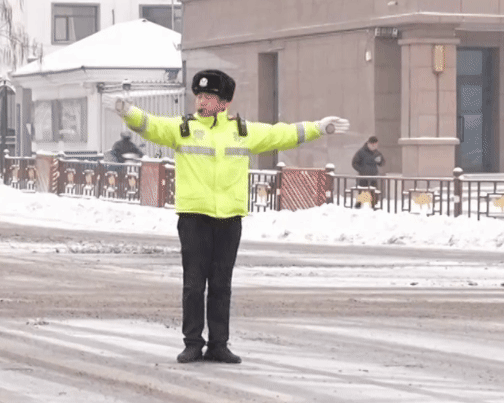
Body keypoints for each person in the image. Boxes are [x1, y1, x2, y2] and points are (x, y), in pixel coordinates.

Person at [106, 69, 349, 365]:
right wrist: (127, 112)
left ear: (224, 102)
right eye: (198, 95)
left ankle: (219, 344)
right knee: (194, 285)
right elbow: (151, 126)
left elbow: (281, 134)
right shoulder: (183, 129)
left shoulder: (242, 132)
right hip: (194, 217)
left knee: (221, 285)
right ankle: (192, 343)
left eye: (208, 97)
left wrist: (319, 128)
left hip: (229, 218)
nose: (201, 101)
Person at [351, 136, 384, 207]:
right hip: (363, 177)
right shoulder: (361, 152)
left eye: (375, 145)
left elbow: (382, 163)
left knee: (374, 195)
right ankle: (358, 207)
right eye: (373, 144)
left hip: (373, 177)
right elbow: (354, 163)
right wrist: (362, 170)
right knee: (362, 194)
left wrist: (380, 161)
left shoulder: (377, 153)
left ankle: (374, 207)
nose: (374, 146)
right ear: (369, 144)